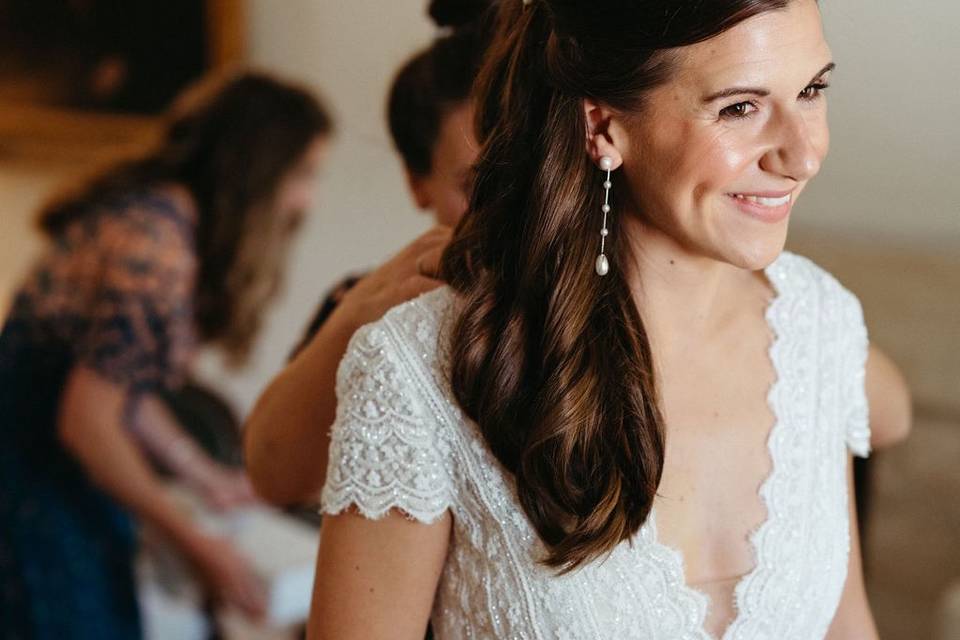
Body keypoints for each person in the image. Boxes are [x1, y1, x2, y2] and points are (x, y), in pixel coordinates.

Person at [306, 1, 911, 638]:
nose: (804, 153)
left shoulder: (820, 322)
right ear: (604, 128)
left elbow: (847, 626)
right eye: (740, 107)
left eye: (812, 90)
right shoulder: (416, 368)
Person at [0, 71, 332, 639]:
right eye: (302, 174)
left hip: (56, 481)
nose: (306, 199)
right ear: (255, 166)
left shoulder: (155, 215)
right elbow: (88, 424)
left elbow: (119, 391)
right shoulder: (153, 245)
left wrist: (204, 476)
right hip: (33, 492)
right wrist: (197, 543)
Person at [244, 0, 490, 507]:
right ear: (417, 183)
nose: (512, 209)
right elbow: (276, 479)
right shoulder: (372, 306)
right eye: (477, 186)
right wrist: (357, 313)